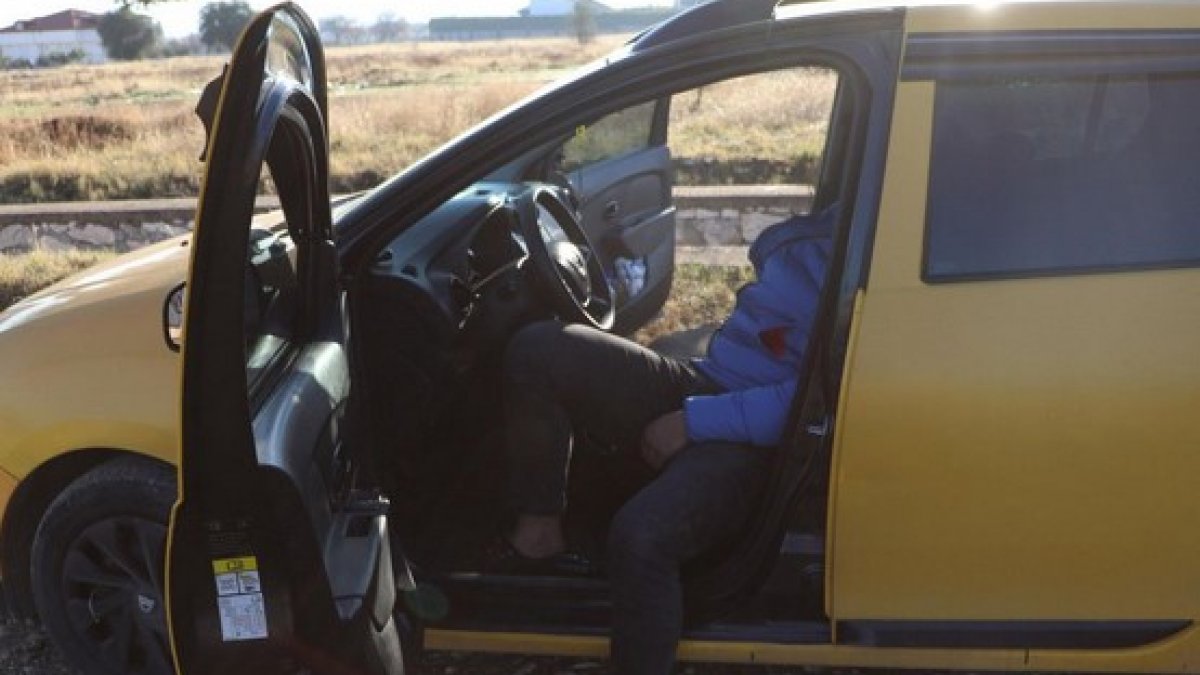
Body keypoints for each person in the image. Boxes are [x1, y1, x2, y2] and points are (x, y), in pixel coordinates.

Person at [489, 204, 836, 674]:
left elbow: (819, 403)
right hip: (712, 381)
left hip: (762, 443)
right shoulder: (845, 214)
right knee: (539, 350)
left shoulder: (885, 247)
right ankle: (539, 537)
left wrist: (694, 422)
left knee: (641, 539)